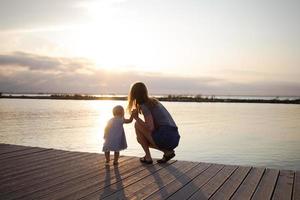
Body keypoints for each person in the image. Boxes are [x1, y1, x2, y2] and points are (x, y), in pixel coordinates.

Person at [128, 82, 180, 164]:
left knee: (137, 125)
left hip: (166, 136)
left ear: (134, 94)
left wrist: (137, 118)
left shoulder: (144, 105)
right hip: (174, 137)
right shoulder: (154, 101)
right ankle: (167, 152)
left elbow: (150, 127)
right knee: (141, 137)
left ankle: (148, 157)